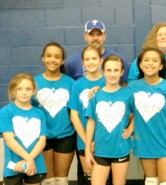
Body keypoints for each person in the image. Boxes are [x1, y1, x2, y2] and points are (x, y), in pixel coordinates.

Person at [127, 47, 166, 185]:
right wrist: (96, 89)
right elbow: (125, 107)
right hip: (144, 144)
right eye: (146, 60)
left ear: (161, 66)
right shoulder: (132, 87)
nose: (150, 63)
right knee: (151, 181)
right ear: (140, 65)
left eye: (154, 61)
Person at [85, 55, 133, 185]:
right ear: (103, 72)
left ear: (122, 72)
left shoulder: (127, 94)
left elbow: (136, 115)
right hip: (100, 148)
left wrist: (130, 128)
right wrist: (87, 150)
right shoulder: (96, 95)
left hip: (120, 148)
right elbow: (91, 122)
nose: (112, 74)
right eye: (109, 70)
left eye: (116, 70)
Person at [32, 42, 76, 185]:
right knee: (48, 180)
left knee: (61, 179)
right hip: (42, 138)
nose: (53, 60)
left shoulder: (71, 83)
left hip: (65, 136)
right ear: (43, 58)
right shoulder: (34, 83)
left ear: (62, 61)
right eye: (49, 56)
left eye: (57, 57)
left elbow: (75, 111)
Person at [0, 73, 47, 185]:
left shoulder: (39, 113)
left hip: (35, 165)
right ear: (12, 90)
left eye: (28, 89)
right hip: (13, 166)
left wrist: (30, 160)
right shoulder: (6, 112)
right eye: (19, 89)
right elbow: (10, 141)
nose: (24, 92)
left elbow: (42, 141)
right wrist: (28, 159)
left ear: (33, 91)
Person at [69, 46, 106, 185]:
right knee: (89, 179)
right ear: (82, 62)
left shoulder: (107, 82)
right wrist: (87, 140)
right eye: (87, 59)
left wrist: (98, 138)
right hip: (84, 141)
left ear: (100, 60)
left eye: (94, 58)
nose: (91, 62)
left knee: (104, 179)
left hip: (105, 139)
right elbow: (74, 115)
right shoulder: (77, 85)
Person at [65, 19, 129, 86]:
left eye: (99, 34)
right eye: (91, 35)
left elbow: (124, 85)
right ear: (85, 36)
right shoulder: (73, 62)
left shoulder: (118, 59)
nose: (95, 38)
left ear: (104, 36)